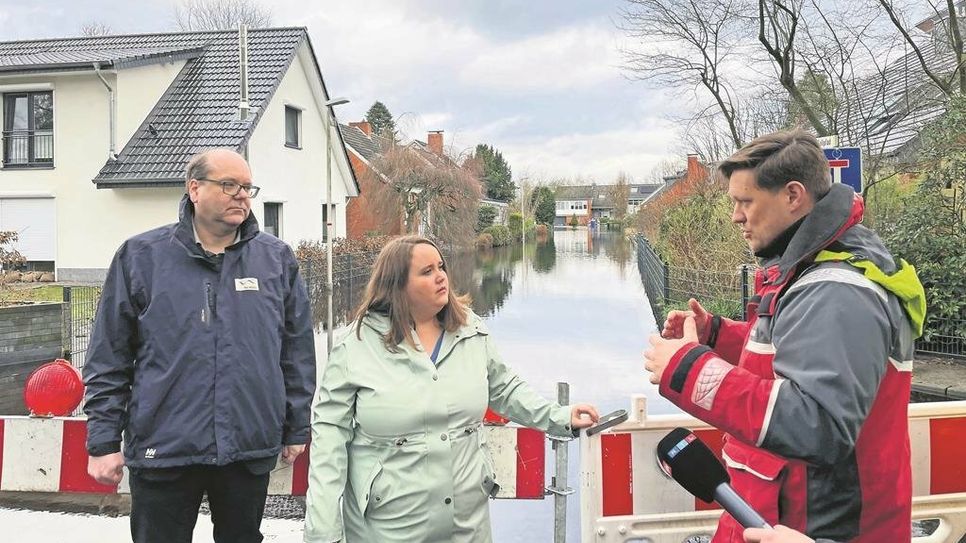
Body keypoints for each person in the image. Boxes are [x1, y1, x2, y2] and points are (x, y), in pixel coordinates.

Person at [643, 129, 925, 542]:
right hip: (773, 518)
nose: (736, 217)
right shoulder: (813, 268)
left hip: (820, 528)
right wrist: (717, 336)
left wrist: (688, 369)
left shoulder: (838, 291)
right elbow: (801, 354)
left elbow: (818, 423)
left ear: (793, 196)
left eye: (745, 202)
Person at [83, 149, 316, 543]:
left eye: (247, 187)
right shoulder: (141, 257)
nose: (241, 195)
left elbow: (295, 352)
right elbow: (110, 356)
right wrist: (103, 441)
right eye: (229, 185)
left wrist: (296, 425)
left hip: (247, 445)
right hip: (165, 447)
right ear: (194, 188)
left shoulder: (275, 260)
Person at [303, 235, 599, 543]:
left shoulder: (470, 330)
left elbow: (505, 389)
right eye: (426, 271)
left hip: (466, 524)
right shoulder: (356, 347)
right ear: (396, 285)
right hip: (388, 526)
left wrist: (560, 416)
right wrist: (323, 533)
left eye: (441, 267)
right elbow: (329, 443)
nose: (441, 276)